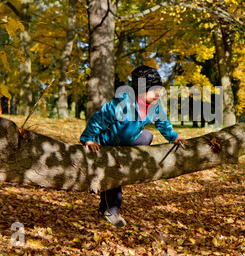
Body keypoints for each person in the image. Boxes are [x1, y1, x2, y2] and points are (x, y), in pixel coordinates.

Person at [80, 65, 187, 227]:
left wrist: (174, 137)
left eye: (159, 90)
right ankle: (111, 211)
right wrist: (89, 138)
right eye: (153, 90)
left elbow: (162, 122)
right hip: (110, 143)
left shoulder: (155, 104)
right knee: (114, 173)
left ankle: (129, 158)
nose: (158, 94)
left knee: (147, 135)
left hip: (129, 140)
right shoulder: (123, 103)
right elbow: (99, 119)